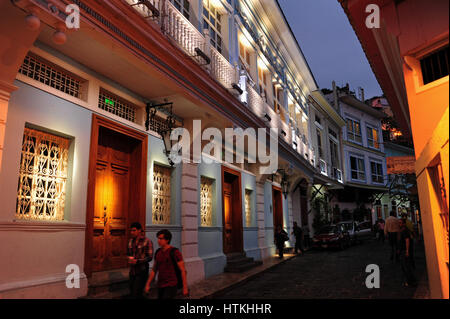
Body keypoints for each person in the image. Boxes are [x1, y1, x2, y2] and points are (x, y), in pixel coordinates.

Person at [144, 229, 189, 299]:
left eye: (161, 238)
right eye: (158, 238)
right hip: (160, 284)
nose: (158, 240)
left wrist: (185, 287)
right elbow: (154, 269)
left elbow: (183, 270)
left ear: (167, 240)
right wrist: (148, 284)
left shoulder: (175, 252)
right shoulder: (158, 252)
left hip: (171, 284)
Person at [127, 222, 153, 299]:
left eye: (134, 230)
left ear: (139, 230)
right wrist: (129, 258)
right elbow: (128, 253)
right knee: (132, 290)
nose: (132, 232)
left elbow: (150, 257)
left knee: (137, 292)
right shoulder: (130, 241)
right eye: (131, 230)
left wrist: (138, 261)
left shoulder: (147, 241)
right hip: (132, 270)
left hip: (142, 270)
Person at [397, 218, 417, 287]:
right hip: (402, 250)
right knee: (404, 266)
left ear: (403, 224)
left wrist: (407, 251)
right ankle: (409, 280)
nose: (399, 224)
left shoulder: (404, 231)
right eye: (398, 223)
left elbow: (407, 240)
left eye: (400, 223)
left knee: (406, 266)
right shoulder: (401, 230)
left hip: (404, 250)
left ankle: (410, 281)